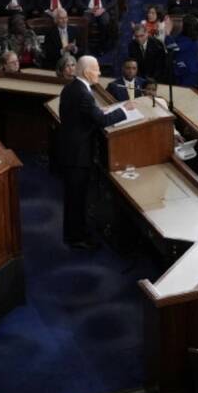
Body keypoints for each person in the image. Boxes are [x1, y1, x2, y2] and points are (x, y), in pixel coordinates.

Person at [56, 55, 127, 249]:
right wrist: (125, 111)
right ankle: (77, 238)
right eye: (97, 70)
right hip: (78, 154)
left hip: (70, 150)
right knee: (77, 198)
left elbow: (83, 116)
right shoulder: (83, 93)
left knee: (74, 198)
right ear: (87, 72)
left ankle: (75, 234)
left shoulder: (71, 88)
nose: (100, 73)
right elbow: (102, 121)